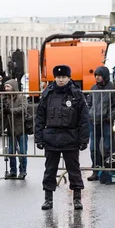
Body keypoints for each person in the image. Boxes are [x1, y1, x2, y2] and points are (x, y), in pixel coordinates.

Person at [35, 65, 90, 210]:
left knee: (74, 170)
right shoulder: (47, 94)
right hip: (51, 138)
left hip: (70, 137)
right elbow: (40, 117)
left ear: (69, 78)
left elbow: (84, 119)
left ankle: (77, 198)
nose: (60, 80)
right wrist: (38, 137)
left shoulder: (76, 94)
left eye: (63, 77)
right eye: (58, 77)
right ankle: (48, 199)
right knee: (50, 170)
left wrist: (84, 139)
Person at [86, 66, 115, 181]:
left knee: (107, 148)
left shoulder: (112, 88)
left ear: (104, 76)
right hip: (94, 122)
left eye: (99, 75)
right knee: (93, 148)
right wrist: (89, 114)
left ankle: (108, 170)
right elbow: (88, 103)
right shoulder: (93, 88)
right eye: (96, 75)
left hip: (106, 122)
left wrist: (110, 117)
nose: (97, 77)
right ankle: (96, 170)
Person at [2, 79, 29, 179]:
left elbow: (23, 108)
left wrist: (11, 110)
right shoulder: (5, 99)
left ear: (13, 87)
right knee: (11, 152)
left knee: (22, 152)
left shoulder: (22, 97)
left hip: (21, 127)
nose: (6, 89)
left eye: (8, 86)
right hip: (10, 128)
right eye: (5, 87)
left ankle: (23, 171)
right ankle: (13, 171)